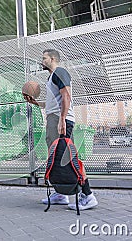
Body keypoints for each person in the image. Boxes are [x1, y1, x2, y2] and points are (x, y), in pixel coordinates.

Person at [23, 49, 98, 211]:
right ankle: (60, 194)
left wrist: (62, 119)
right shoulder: (51, 78)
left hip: (60, 121)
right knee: (56, 159)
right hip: (54, 119)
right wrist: (36, 104)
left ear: (53, 59)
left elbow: (66, 96)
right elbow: (53, 103)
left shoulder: (60, 72)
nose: (42, 61)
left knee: (68, 159)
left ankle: (88, 195)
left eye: (44, 58)